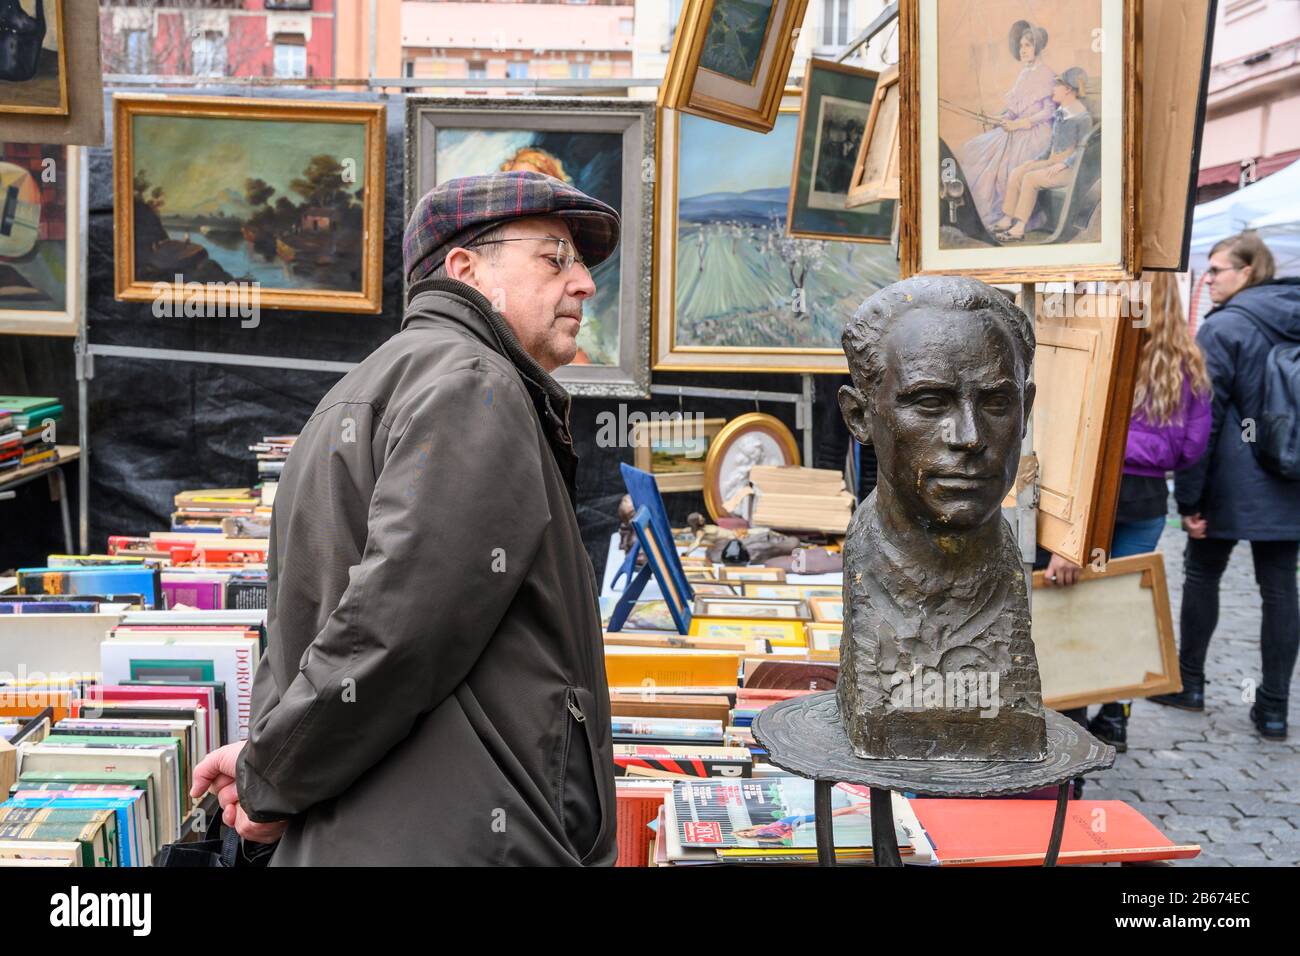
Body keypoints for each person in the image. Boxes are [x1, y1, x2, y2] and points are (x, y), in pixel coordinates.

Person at [188, 170, 622, 864]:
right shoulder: (474, 386)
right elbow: (396, 632)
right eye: (554, 257)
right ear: (465, 268)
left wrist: (270, 767)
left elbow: (305, 630)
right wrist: (269, 778)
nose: (584, 284)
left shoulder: (358, 393)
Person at [1045, 274, 1212, 750]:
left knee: (1072, 603)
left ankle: (1067, 713)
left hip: (1095, 489)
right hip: (1148, 499)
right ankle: (1115, 714)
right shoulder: (1185, 361)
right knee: (1120, 607)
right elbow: (1193, 445)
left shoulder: (1100, 343)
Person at [1150, 232, 1300, 741]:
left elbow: (1205, 421)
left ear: (1249, 270)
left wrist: (1189, 498)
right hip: (1289, 475)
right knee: (1280, 590)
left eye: (1217, 270)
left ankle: (1189, 684)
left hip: (1231, 481)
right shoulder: (1292, 317)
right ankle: (1274, 710)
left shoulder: (1227, 327)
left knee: (1203, 575)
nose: (1208, 279)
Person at [956, 20, 1057, 230]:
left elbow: (1049, 111)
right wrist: (1004, 117)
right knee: (974, 149)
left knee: (1006, 167)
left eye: (1027, 46)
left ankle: (1014, 217)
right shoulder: (1023, 74)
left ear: (1037, 47)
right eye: (1020, 46)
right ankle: (981, 214)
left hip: (1037, 132)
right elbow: (1016, 107)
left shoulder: (1047, 74)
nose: (1023, 50)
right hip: (1017, 129)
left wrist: (1021, 122)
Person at [992, 68, 1092, 242]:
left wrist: (1064, 164)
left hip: (1070, 170)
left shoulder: (1082, 116)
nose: (1053, 89)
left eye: (1056, 86)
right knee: (1018, 171)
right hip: (1052, 161)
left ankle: (1019, 228)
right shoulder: (1061, 112)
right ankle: (1008, 217)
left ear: (1068, 89)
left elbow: (1084, 150)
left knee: (1030, 178)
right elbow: (1051, 145)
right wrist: (1035, 160)